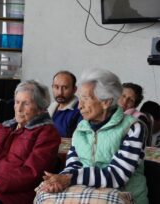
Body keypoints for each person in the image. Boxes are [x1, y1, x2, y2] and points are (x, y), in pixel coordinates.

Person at [35, 69, 148, 204]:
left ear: (106, 102)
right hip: (85, 194)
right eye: (80, 98)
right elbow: (73, 164)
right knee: (44, 193)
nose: (80, 106)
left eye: (86, 99)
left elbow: (117, 176)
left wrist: (70, 177)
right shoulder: (82, 127)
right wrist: (59, 181)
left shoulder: (133, 127)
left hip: (124, 197)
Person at [48, 71, 82, 137]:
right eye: (56, 87)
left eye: (65, 88)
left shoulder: (79, 111)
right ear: (52, 87)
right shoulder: (49, 109)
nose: (60, 92)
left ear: (74, 89)